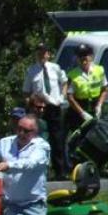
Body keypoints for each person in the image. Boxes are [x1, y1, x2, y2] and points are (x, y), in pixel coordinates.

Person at [23, 42, 68, 178]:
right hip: (39, 108)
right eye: (40, 52)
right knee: (39, 139)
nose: (42, 55)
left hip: (55, 106)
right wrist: (32, 104)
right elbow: (26, 92)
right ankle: (41, 171)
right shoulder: (31, 71)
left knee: (57, 139)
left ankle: (60, 172)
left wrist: (62, 96)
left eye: (45, 52)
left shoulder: (55, 68)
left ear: (49, 54)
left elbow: (65, 82)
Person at [65, 44, 108, 167]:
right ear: (77, 59)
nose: (84, 60)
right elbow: (70, 96)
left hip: (95, 106)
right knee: (79, 139)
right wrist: (81, 113)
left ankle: (96, 165)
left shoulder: (99, 70)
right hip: (80, 107)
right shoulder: (73, 74)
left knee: (97, 138)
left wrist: (99, 105)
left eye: (86, 56)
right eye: (80, 57)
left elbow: (105, 89)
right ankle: (78, 166)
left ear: (91, 57)